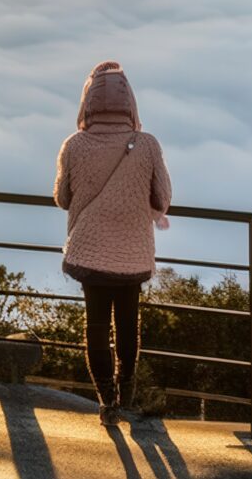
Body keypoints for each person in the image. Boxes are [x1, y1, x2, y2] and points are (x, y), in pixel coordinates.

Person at [53, 60, 171, 427]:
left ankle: (107, 401)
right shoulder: (147, 144)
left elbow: (62, 197)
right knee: (128, 324)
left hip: (90, 250)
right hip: (132, 253)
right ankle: (128, 391)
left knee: (96, 326)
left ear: (87, 103)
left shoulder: (74, 145)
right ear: (130, 105)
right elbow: (163, 197)